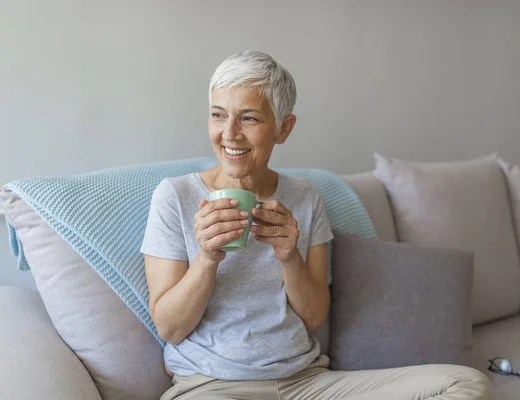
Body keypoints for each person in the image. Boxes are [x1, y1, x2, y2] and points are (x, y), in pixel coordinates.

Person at [141, 50, 493, 400]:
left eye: (248, 119)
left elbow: (312, 317)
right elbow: (170, 329)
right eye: (218, 115)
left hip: (305, 383)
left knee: (466, 383)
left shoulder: (306, 197)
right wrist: (207, 258)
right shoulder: (175, 196)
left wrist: (290, 256)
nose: (229, 134)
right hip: (212, 386)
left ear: (283, 128)